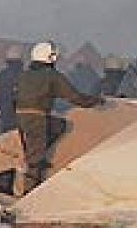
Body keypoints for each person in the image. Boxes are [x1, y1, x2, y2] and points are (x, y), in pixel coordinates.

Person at [15, 40, 102, 193]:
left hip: (20, 116)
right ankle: (29, 194)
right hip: (37, 118)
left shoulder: (24, 75)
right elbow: (75, 97)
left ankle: (39, 154)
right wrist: (96, 101)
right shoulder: (52, 76)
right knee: (35, 159)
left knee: (58, 126)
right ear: (50, 58)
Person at [0, 46, 25, 133]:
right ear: (21, 61)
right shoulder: (26, 76)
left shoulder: (0, 76)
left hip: (5, 122)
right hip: (22, 122)